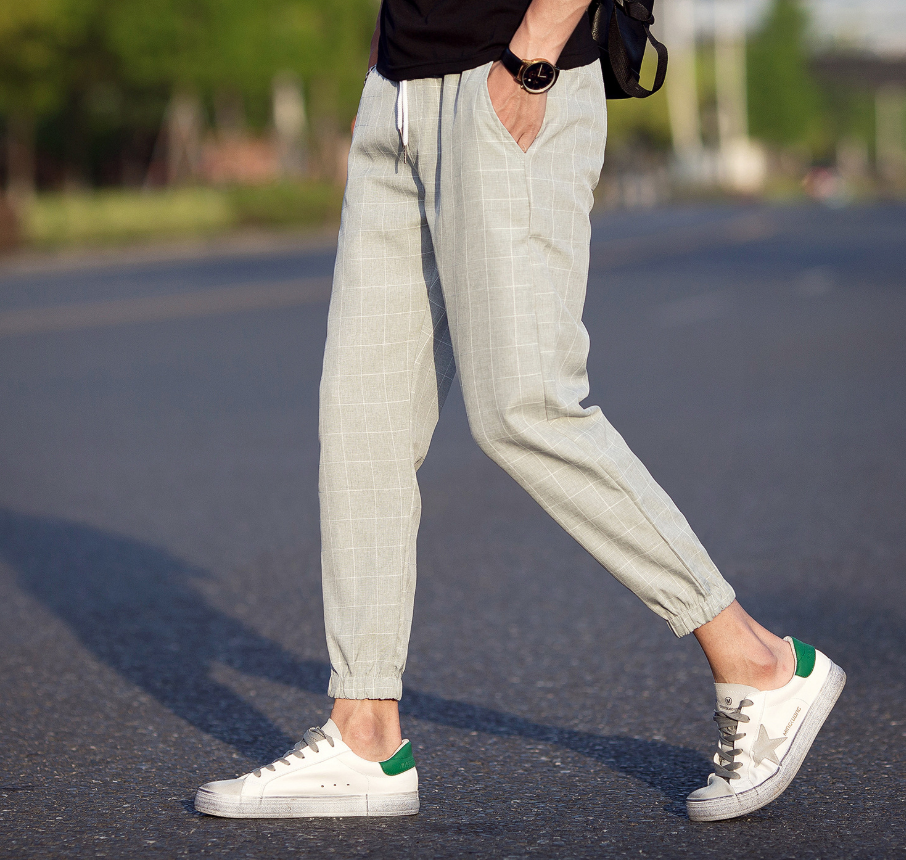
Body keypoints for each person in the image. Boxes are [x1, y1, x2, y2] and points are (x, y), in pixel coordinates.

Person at [195, 0, 844, 822]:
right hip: (400, 90)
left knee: (525, 407)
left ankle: (757, 661)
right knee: (363, 424)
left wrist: (532, 57)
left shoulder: (524, 69)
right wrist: (395, 61)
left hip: (511, 77)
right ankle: (363, 734)